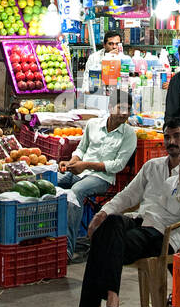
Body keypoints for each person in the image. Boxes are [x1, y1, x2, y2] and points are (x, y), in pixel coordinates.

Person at [54, 118, 180, 307]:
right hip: (139, 222)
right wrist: (103, 213)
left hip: (163, 235)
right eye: (168, 137)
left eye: (177, 136)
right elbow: (129, 195)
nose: (172, 142)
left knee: (102, 244)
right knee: (111, 223)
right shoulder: (153, 166)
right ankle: (111, 302)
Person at [57, 104, 138, 260]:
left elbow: (118, 165)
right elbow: (81, 149)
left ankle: (66, 250)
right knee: (52, 181)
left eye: (127, 110)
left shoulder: (129, 134)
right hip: (80, 171)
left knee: (76, 192)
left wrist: (85, 165)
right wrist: (71, 162)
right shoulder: (93, 124)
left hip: (102, 178)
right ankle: (46, 242)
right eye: (120, 108)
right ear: (109, 107)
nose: (123, 113)